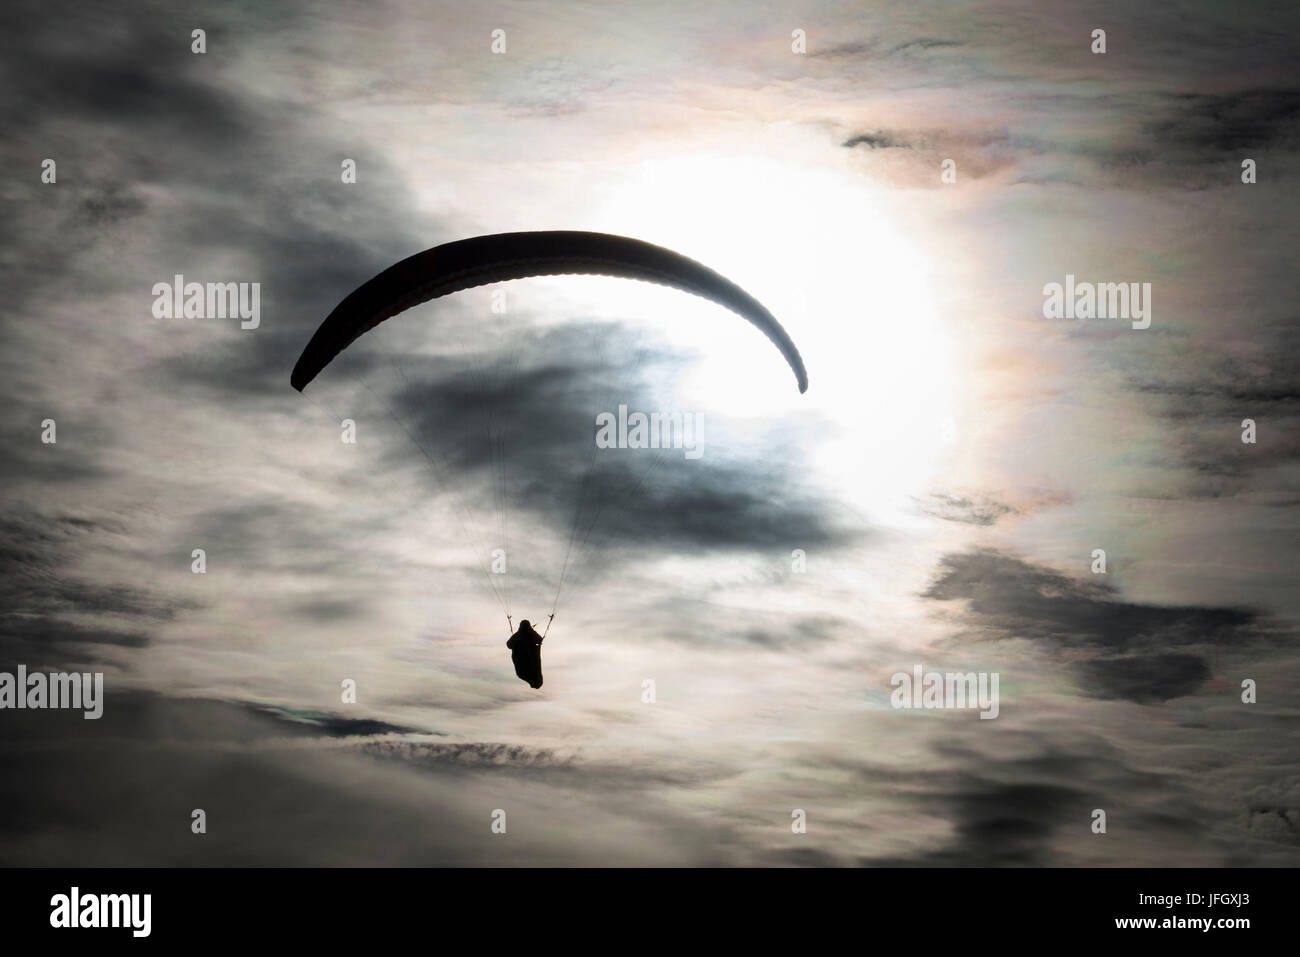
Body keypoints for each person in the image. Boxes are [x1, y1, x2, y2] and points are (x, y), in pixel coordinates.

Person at [506, 619, 544, 689]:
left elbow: (509, 645)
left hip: (523, 662)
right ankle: (536, 682)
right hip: (528, 662)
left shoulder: (518, 635)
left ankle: (536, 682)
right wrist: (532, 631)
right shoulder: (530, 634)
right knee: (532, 675)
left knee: (530, 674)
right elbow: (540, 640)